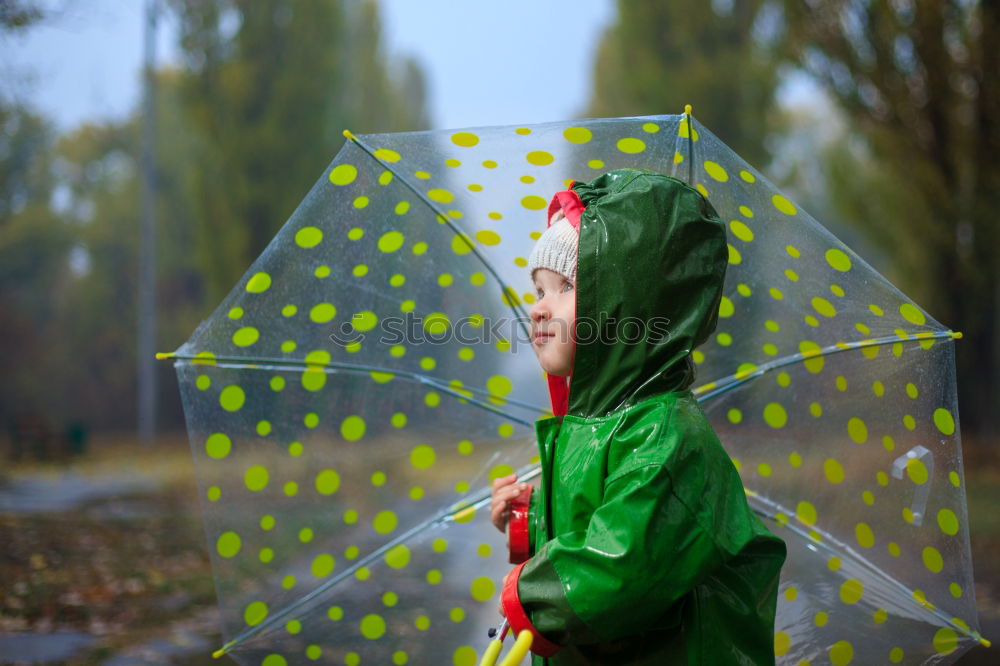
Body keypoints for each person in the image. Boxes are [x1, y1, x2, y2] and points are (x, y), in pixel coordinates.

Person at [489, 169, 787, 665]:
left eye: (564, 286)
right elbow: (588, 525)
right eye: (538, 290)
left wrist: (530, 597)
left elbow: (625, 562)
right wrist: (530, 517)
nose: (539, 309)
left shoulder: (667, 435)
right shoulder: (593, 424)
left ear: (626, 304)